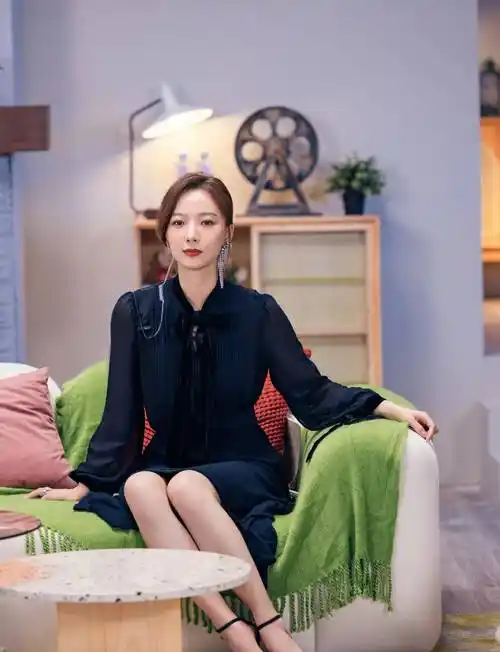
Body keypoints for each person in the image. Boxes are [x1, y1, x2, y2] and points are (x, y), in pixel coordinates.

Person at [28, 172, 438, 652]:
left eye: (206, 222)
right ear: (165, 234)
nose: (192, 235)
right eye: (179, 223)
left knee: (186, 486)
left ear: (227, 232)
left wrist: (385, 407)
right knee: (140, 485)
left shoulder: (257, 312)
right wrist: (87, 483)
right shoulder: (135, 312)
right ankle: (231, 626)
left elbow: (309, 391)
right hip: (166, 459)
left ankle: (269, 623)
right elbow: (122, 408)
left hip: (244, 462)